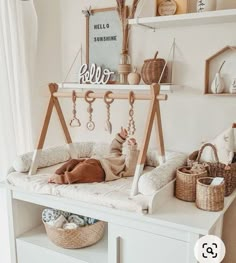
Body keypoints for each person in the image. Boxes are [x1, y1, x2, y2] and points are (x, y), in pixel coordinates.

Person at [48, 127, 139, 184]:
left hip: (101, 171)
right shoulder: (118, 155)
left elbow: (131, 164)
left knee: (83, 170)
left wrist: (133, 148)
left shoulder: (126, 168)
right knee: (74, 161)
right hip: (94, 161)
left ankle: (63, 179)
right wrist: (121, 137)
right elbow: (114, 148)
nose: (128, 155)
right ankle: (56, 173)